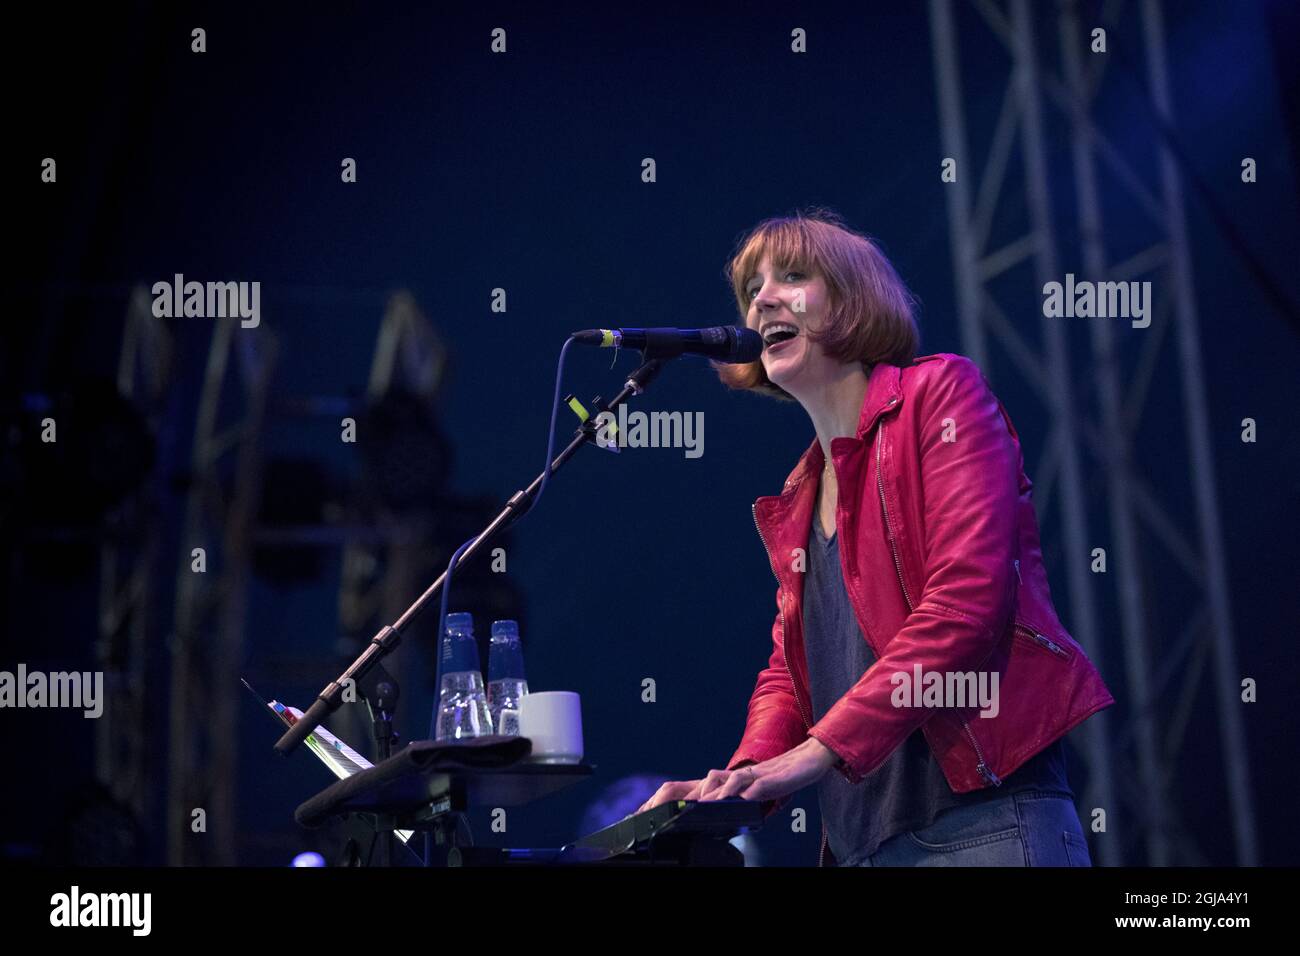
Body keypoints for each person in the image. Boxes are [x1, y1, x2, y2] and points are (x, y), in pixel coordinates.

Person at [636, 208, 1114, 866]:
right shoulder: (800, 492)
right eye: (752, 290)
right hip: (864, 845)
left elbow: (966, 603)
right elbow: (790, 672)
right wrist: (734, 785)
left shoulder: (940, 394)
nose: (764, 297)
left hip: (982, 825)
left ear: (852, 299)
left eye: (793, 275)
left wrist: (811, 756)